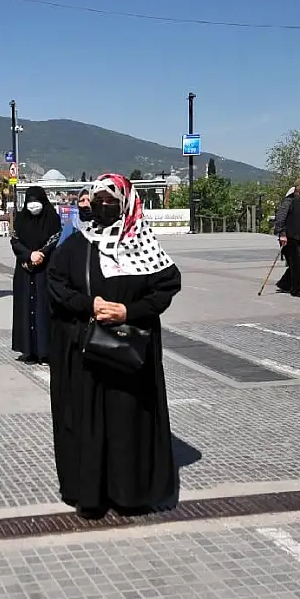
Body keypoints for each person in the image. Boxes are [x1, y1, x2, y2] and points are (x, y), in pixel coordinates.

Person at [47, 173, 182, 520]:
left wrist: (128, 311)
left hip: (129, 352)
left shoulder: (142, 243)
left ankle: (130, 492)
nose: (105, 206)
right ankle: (89, 492)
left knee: (128, 421)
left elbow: (166, 285)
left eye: (112, 200)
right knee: (88, 420)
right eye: (99, 200)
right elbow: (57, 286)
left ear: (125, 203)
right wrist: (89, 305)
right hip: (87, 353)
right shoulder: (76, 245)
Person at [11, 185, 62, 364]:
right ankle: (29, 349)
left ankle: (45, 350)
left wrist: (41, 253)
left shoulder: (52, 218)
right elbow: (15, 241)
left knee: (44, 309)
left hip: (45, 270)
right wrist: (28, 255)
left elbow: (55, 238)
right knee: (25, 309)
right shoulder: (20, 219)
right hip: (24, 271)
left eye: (37, 200)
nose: (33, 205)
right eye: (30, 201)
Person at [274, 178, 300, 297]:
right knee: (296, 263)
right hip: (290, 237)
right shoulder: (289, 201)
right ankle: (296, 289)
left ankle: (285, 283)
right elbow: (280, 218)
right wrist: (282, 234)